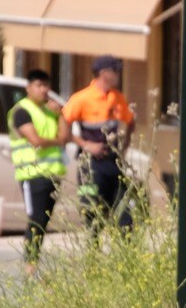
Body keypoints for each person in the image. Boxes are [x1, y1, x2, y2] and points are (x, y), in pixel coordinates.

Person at [63, 55, 137, 233]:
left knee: (124, 215)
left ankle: (126, 254)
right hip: (89, 165)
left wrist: (123, 148)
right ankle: (93, 254)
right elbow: (63, 125)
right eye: (115, 71)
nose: (119, 74)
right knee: (92, 213)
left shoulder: (117, 97)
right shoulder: (81, 98)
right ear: (104, 73)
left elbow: (130, 121)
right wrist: (86, 144)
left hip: (113, 163)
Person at [10, 69, 68, 266]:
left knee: (43, 223)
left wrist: (60, 115)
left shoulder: (48, 111)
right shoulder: (22, 111)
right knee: (35, 221)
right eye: (39, 85)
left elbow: (65, 136)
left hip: (52, 175)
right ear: (29, 88)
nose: (44, 90)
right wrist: (57, 141)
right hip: (32, 175)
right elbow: (35, 140)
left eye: (46, 85)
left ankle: (33, 263)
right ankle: (30, 266)